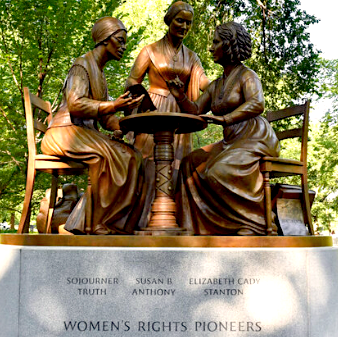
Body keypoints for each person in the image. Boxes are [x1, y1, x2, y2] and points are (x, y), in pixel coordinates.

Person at [167, 22, 280, 235]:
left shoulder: (248, 75)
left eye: (216, 42)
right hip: (231, 141)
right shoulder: (217, 84)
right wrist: (179, 95)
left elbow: (257, 103)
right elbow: (195, 109)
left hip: (254, 137)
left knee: (218, 172)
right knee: (190, 163)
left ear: (229, 45)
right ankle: (196, 226)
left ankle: (255, 222)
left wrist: (226, 119)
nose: (211, 48)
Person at [41, 17, 145, 235]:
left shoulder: (101, 73)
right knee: (112, 156)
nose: (124, 47)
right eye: (120, 41)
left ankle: (115, 222)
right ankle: (95, 223)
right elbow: (76, 104)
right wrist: (112, 104)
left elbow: (107, 121)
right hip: (64, 132)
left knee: (133, 155)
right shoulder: (82, 64)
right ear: (105, 40)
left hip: (84, 133)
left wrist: (128, 117)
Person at [125, 1, 209, 226]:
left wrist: (223, 88)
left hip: (179, 113)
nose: (184, 26)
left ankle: (173, 217)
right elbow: (133, 80)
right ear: (169, 20)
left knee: (176, 163)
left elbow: (203, 83)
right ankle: (142, 219)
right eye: (179, 20)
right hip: (153, 109)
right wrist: (139, 101)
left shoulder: (191, 57)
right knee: (147, 161)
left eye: (188, 23)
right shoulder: (149, 50)